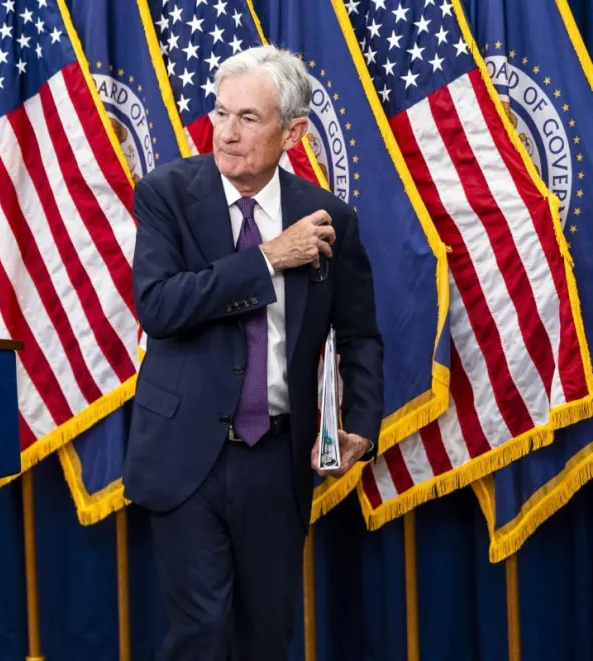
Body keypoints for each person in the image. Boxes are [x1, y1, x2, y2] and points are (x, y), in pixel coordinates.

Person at [123, 45, 384, 661]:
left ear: (293, 132)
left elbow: (359, 334)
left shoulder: (328, 219)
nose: (227, 134)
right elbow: (160, 307)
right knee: (202, 634)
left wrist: (361, 425)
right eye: (220, 114)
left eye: (248, 119)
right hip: (184, 454)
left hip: (277, 459)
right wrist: (268, 259)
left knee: (265, 637)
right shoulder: (166, 194)